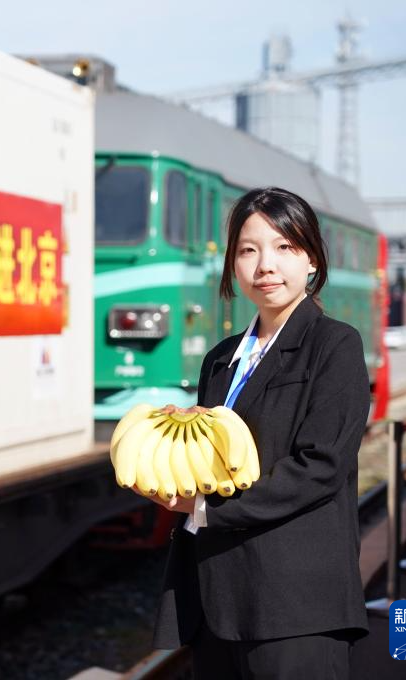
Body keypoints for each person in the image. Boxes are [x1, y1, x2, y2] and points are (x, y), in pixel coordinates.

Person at [147, 186, 370, 679]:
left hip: (295, 605)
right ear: (233, 264)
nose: (266, 265)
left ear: (311, 259)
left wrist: (205, 508)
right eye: (249, 250)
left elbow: (320, 466)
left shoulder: (334, 345)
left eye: (284, 247)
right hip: (217, 598)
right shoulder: (220, 359)